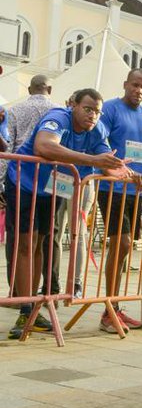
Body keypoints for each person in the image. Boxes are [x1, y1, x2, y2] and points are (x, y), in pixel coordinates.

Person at [6, 89, 129, 339]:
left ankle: (35, 308)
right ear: (73, 105)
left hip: (52, 188)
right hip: (24, 182)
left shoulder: (97, 130)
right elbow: (44, 146)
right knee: (26, 245)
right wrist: (91, 159)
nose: (93, 115)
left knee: (41, 244)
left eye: (97, 111)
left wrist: (123, 171)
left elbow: (107, 163)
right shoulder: (58, 117)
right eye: (87, 108)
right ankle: (25, 309)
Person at [97, 69, 142, 333]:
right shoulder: (111, 109)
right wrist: (124, 172)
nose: (139, 90)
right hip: (113, 187)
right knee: (122, 243)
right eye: (135, 85)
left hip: (136, 191)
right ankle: (109, 310)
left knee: (125, 249)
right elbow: (100, 145)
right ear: (125, 84)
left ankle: (113, 305)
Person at [3, 75, 53, 286]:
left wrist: (1, 183)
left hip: (19, 177)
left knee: (17, 236)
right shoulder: (58, 112)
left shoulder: (14, 111)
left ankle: (16, 288)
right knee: (46, 238)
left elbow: (7, 148)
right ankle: (49, 287)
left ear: (30, 89)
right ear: (49, 89)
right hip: (48, 179)